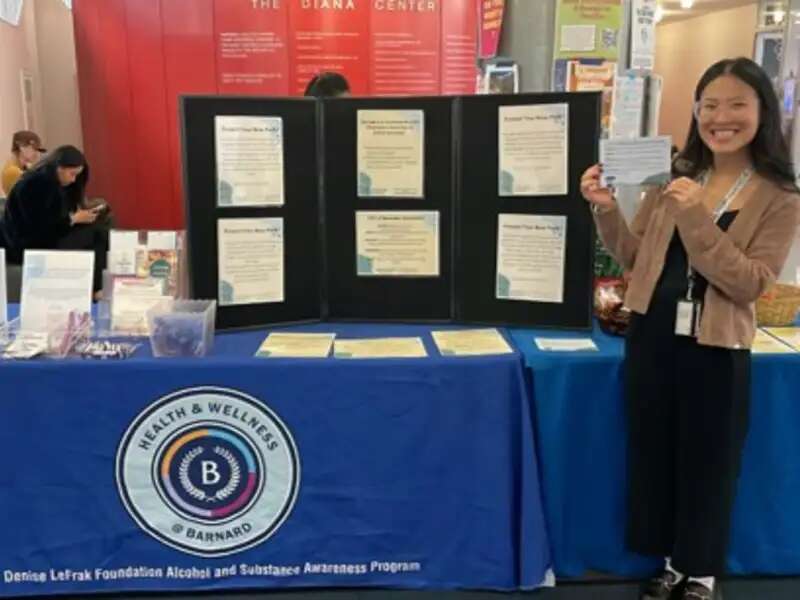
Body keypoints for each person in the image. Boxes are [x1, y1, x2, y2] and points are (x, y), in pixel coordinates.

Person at [581, 57, 800, 600]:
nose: (720, 117)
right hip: (653, 335)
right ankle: (670, 564)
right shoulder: (676, 175)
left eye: (736, 105)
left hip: (717, 346)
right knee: (654, 454)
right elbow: (636, 257)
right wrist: (605, 210)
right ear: (696, 112)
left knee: (711, 460)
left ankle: (701, 571)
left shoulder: (780, 197)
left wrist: (699, 217)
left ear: (762, 113)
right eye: (709, 106)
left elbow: (750, 283)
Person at [0, 145, 108, 292]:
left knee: (102, 220)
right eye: (72, 174)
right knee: (99, 234)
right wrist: (73, 219)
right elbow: (40, 229)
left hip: (43, 238)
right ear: (59, 167)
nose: (73, 180)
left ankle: (95, 287)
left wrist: (76, 216)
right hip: (27, 245)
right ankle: (96, 289)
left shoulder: (51, 182)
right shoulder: (35, 185)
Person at [1, 130, 46, 196]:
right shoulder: (13, 171)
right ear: (22, 147)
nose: (37, 153)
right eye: (34, 148)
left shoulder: (22, 168)